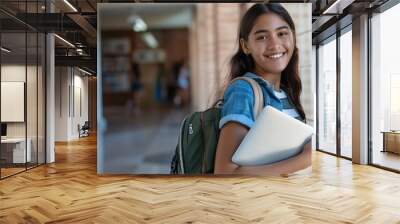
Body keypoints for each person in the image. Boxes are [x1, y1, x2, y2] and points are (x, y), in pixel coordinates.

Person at [214, 3, 311, 175]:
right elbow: (225, 173)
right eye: (262, 37)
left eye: (282, 33)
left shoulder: (287, 92)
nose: (274, 44)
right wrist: (306, 158)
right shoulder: (243, 91)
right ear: (245, 46)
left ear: (293, 37)